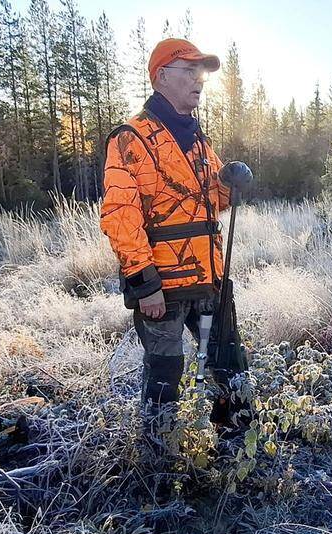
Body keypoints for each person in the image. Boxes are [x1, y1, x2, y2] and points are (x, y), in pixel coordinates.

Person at [99, 38, 247, 422]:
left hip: (211, 281)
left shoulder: (200, 142)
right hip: (162, 288)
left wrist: (230, 180)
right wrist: (144, 284)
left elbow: (216, 200)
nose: (200, 80)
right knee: (165, 379)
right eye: (191, 71)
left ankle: (236, 453)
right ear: (162, 77)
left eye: (203, 74)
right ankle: (158, 460)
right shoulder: (130, 138)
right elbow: (120, 216)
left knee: (231, 371)